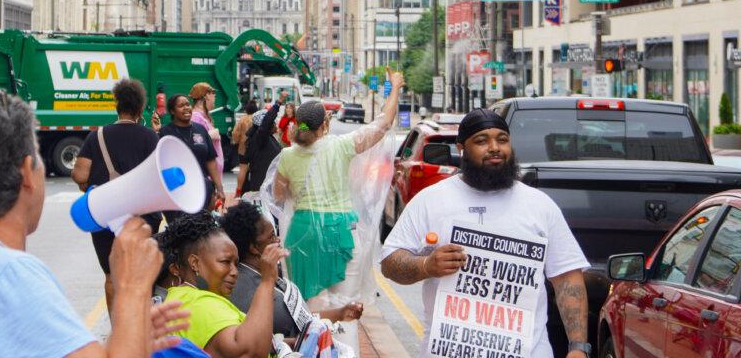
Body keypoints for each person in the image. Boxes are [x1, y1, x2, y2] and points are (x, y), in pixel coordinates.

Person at [0, 88, 188, 358]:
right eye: (37, 155)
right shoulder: (8, 275)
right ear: (27, 172)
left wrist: (129, 335)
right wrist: (132, 289)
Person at [380, 107, 590, 358]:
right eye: (481, 141)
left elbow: (567, 278)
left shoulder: (540, 205)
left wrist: (578, 348)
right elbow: (390, 263)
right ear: (461, 148)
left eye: (502, 139)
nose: (494, 148)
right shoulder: (431, 201)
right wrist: (427, 265)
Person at [272, 71, 404, 305]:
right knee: (344, 304)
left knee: (310, 308)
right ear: (325, 124)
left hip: (303, 232)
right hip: (340, 230)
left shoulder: (286, 156)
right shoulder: (341, 146)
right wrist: (395, 87)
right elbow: (383, 123)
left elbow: (278, 195)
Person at [72, 78, 163, 311]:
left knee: (112, 276)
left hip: (105, 214)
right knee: (140, 274)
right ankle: (139, 326)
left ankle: (117, 332)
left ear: (117, 105)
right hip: (142, 216)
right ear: (140, 109)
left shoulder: (97, 136)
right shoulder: (150, 137)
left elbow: (80, 175)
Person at [219, 201, 363, 340]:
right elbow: (298, 324)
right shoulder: (255, 286)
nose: (277, 240)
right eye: (271, 237)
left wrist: (340, 313)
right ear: (254, 248)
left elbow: (301, 318)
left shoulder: (255, 274)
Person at [160, 212, 286, 358]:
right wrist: (267, 281)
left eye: (236, 264)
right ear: (195, 263)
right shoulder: (197, 303)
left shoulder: (188, 298)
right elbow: (249, 351)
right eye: (225, 262)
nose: (234, 272)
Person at [158, 93, 226, 216]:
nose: (186, 108)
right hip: (177, 194)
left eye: (188, 104)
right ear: (172, 111)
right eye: (181, 106)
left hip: (202, 190)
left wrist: (219, 188)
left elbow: (210, 160)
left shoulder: (201, 129)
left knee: (201, 228)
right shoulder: (165, 132)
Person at [237, 92, 288, 197]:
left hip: (267, 185)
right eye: (273, 123)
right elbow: (267, 121)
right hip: (262, 187)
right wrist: (278, 103)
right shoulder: (259, 138)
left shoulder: (264, 138)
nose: (275, 124)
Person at [189, 83, 224, 173]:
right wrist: (211, 134)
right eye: (212, 92)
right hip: (205, 174)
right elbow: (194, 141)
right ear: (206, 96)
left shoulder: (203, 116)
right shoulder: (196, 116)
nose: (214, 95)